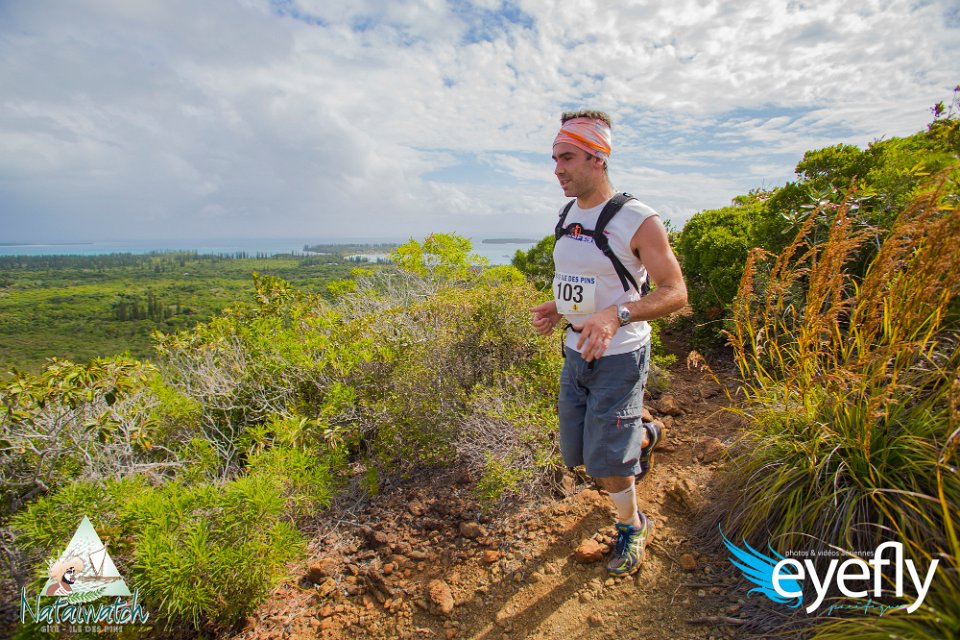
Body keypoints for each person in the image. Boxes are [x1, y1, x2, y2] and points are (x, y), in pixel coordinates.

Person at [530, 110, 687, 576]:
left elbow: (675, 292)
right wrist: (560, 307)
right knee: (578, 452)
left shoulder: (638, 220)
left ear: (597, 158)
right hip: (576, 351)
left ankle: (633, 525)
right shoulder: (567, 215)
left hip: (620, 355)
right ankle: (644, 436)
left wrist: (616, 316)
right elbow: (589, 280)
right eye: (555, 158)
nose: (557, 169)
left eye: (567, 158)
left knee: (606, 464)